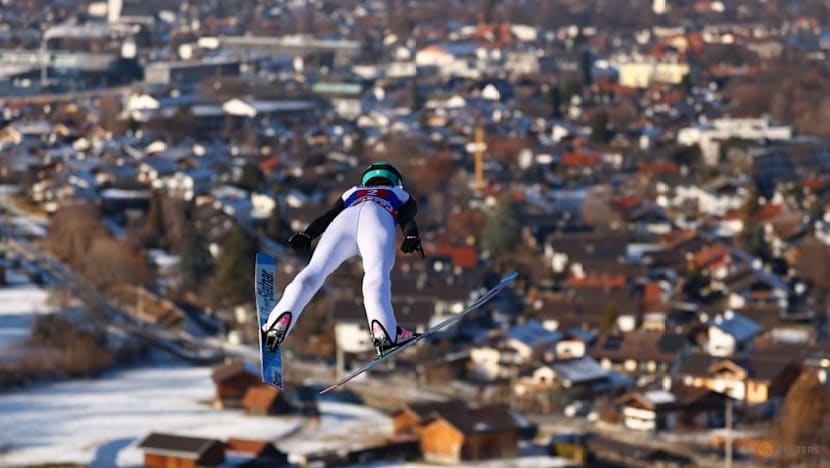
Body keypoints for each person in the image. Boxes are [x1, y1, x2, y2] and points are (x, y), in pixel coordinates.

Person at [263, 162, 424, 356]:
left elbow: (328, 216)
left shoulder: (352, 192)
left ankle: (276, 324)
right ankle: (385, 332)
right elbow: (407, 218)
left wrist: (308, 234)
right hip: (377, 219)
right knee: (375, 275)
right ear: (396, 182)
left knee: (314, 272)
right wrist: (412, 236)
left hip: (343, 222)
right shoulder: (400, 195)